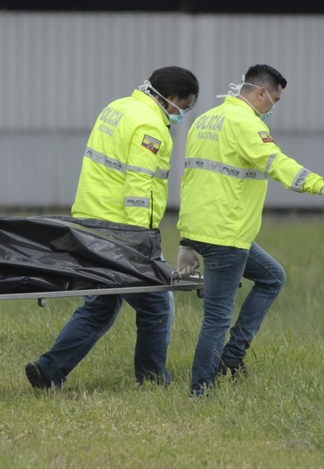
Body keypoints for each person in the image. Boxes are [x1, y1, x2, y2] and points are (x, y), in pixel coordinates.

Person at [176, 64, 324, 395]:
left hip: (205, 229)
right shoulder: (246, 123)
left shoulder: (205, 120)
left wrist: (186, 238)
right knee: (216, 318)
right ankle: (201, 392)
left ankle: (232, 357)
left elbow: (189, 182)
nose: (273, 107)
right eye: (275, 99)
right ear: (260, 94)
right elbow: (277, 163)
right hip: (226, 235)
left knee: (272, 277)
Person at [25, 67, 200, 390]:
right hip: (120, 231)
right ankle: (151, 380)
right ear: (171, 98)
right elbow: (137, 185)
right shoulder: (151, 126)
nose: (182, 114)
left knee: (101, 303)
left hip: (87, 222)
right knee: (157, 304)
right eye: (183, 107)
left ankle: (49, 370)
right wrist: (139, 242)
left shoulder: (116, 108)